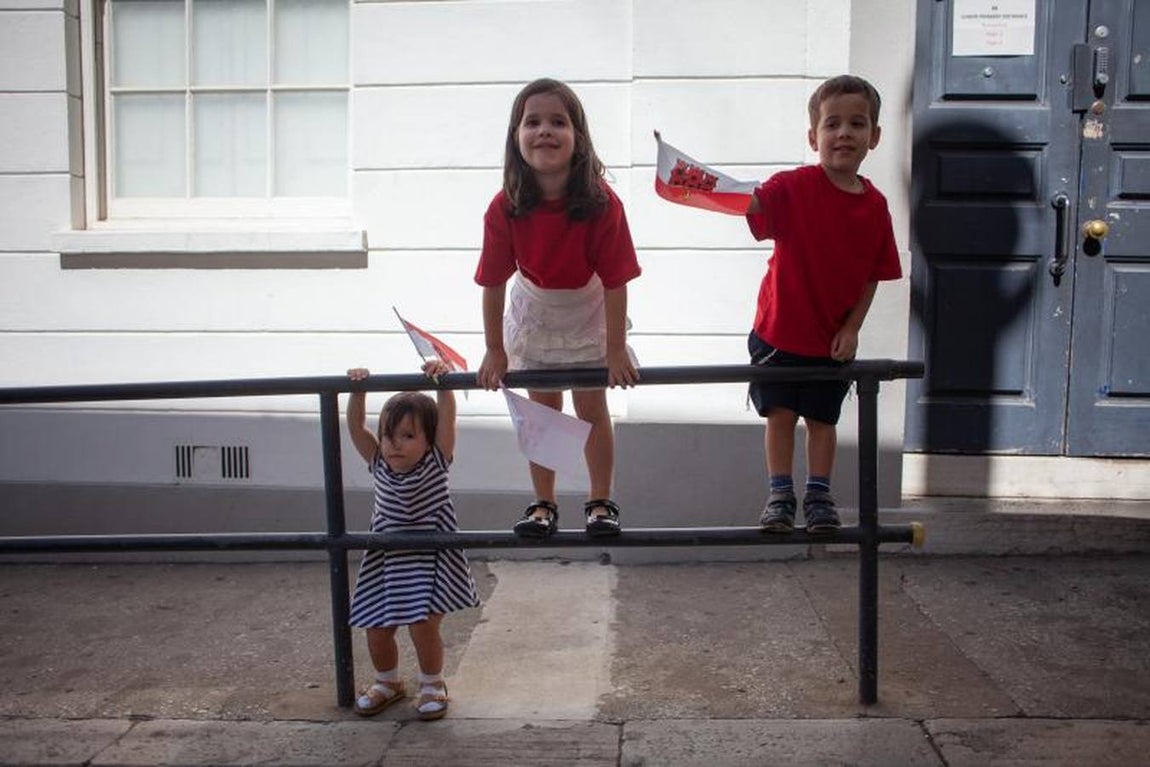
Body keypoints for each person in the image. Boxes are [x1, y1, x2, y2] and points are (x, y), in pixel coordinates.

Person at [475, 77, 642, 539]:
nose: (544, 131)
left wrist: (615, 349)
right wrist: (495, 349)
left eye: (557, 122)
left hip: (588, 305)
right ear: (516, 137)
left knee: (591, 405)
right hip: (536, 307)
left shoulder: (603, 204)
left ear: (578, 137)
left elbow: (616, 282)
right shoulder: (504, 207)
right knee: (542, 410)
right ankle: (543, 503)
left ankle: (600, 500)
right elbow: (492, 282)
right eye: (532, 122)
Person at [743, 74, 902, 534]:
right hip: (778, 330)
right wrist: (706, 186)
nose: (844, 133)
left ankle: (818, 494)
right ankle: (779, 494)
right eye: (832, 124)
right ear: (814, 137)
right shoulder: (792, 186)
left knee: (822, 418)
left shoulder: (876, 207)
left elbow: (874, 274)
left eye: (857, 124)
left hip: (831, 338)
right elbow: (754, 205)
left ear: (874, 136)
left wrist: (852, 328)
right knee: (779, 414)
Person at [345, 359, 480, 720]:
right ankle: (387, 681)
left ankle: (432, 684)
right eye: (389, 435)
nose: (395, 445)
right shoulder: (379, 463)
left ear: (428, 439)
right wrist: (358, 390)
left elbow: (448, 420)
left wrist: (443, 384)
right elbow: (355, 427)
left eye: (408, 436)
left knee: (423, 626)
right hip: (387, 559)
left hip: (429, 558)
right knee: (376, 627)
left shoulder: (435, 462)